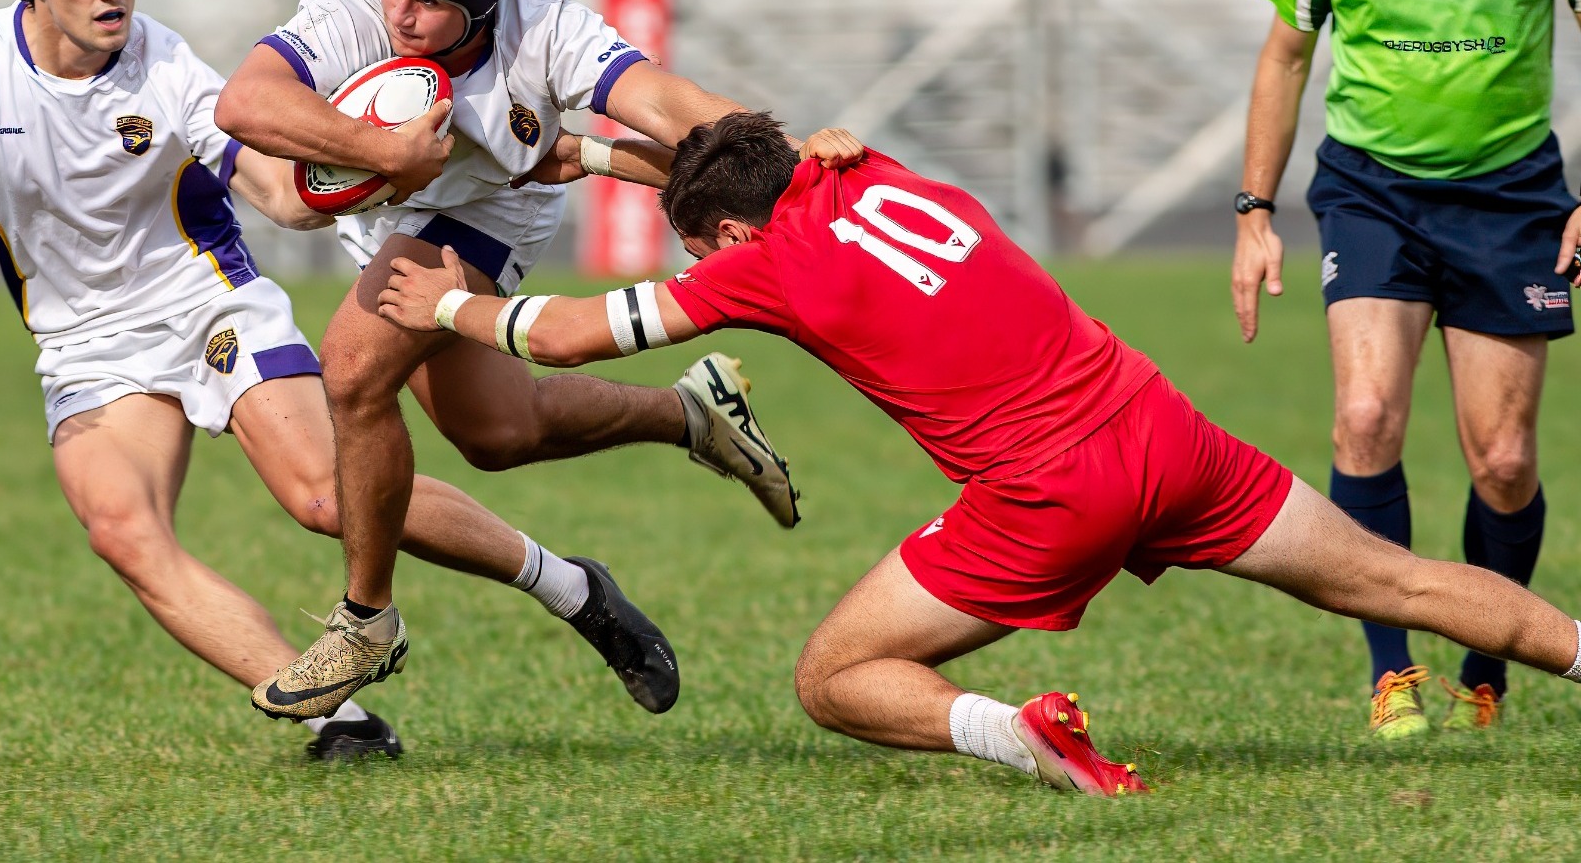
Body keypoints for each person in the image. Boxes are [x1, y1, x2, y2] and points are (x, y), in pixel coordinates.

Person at [377, 111, 1581, 794]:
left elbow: (569, 334)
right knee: (1403, 581)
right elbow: (751, 161)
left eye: (704, 250)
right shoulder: (866, 166)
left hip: (1049, 493)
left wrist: (444, 306)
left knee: (832, 679)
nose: (704, 271)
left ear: (733, 234)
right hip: (1160, 428)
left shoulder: (761, 262)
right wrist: (590, 155)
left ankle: (1026, 739)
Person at [0, 0, 682, 761]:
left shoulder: (168, 72)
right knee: (125, 533)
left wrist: (369, 168)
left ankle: (570, 589)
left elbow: (279, 198)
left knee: (324, 496)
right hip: (84, 345)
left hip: (211, 308)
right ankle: (341, 721)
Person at [219, 0, 792, 718]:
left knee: (350, 366)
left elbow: (660, 101)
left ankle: (366, 620)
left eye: (429, 1)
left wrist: (791, 158)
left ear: (484, 5)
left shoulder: (546, 27)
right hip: (395, 212)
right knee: (499, 432)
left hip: (489, 211)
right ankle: (692, 414)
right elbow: (246, 102)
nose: (401, 12)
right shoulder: (351, 0)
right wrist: (385, 151)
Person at [1233, 0, 1581, 738]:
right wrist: (1253, 213)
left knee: (1502, 462)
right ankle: (1391, 673)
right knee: (1364, 417)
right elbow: (1284, 57)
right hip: (1369, 193)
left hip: (1511, 199)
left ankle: (1488, 655)